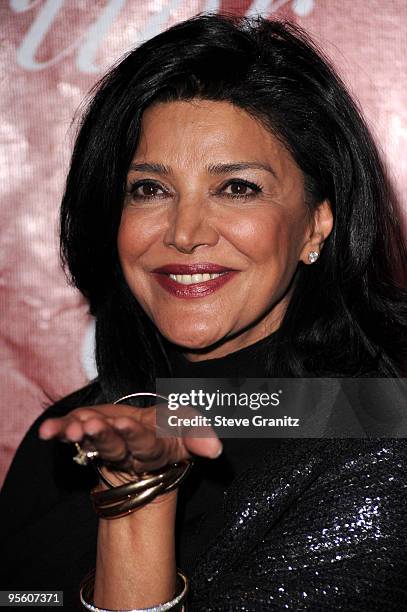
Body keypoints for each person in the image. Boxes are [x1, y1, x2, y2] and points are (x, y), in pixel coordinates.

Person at [1, 12, 407, 611]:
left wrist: (137, 497)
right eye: (149, 189)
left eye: (237, 187)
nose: (185, 233)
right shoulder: (70, 434)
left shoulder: (378, 428)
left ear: (317, 222)